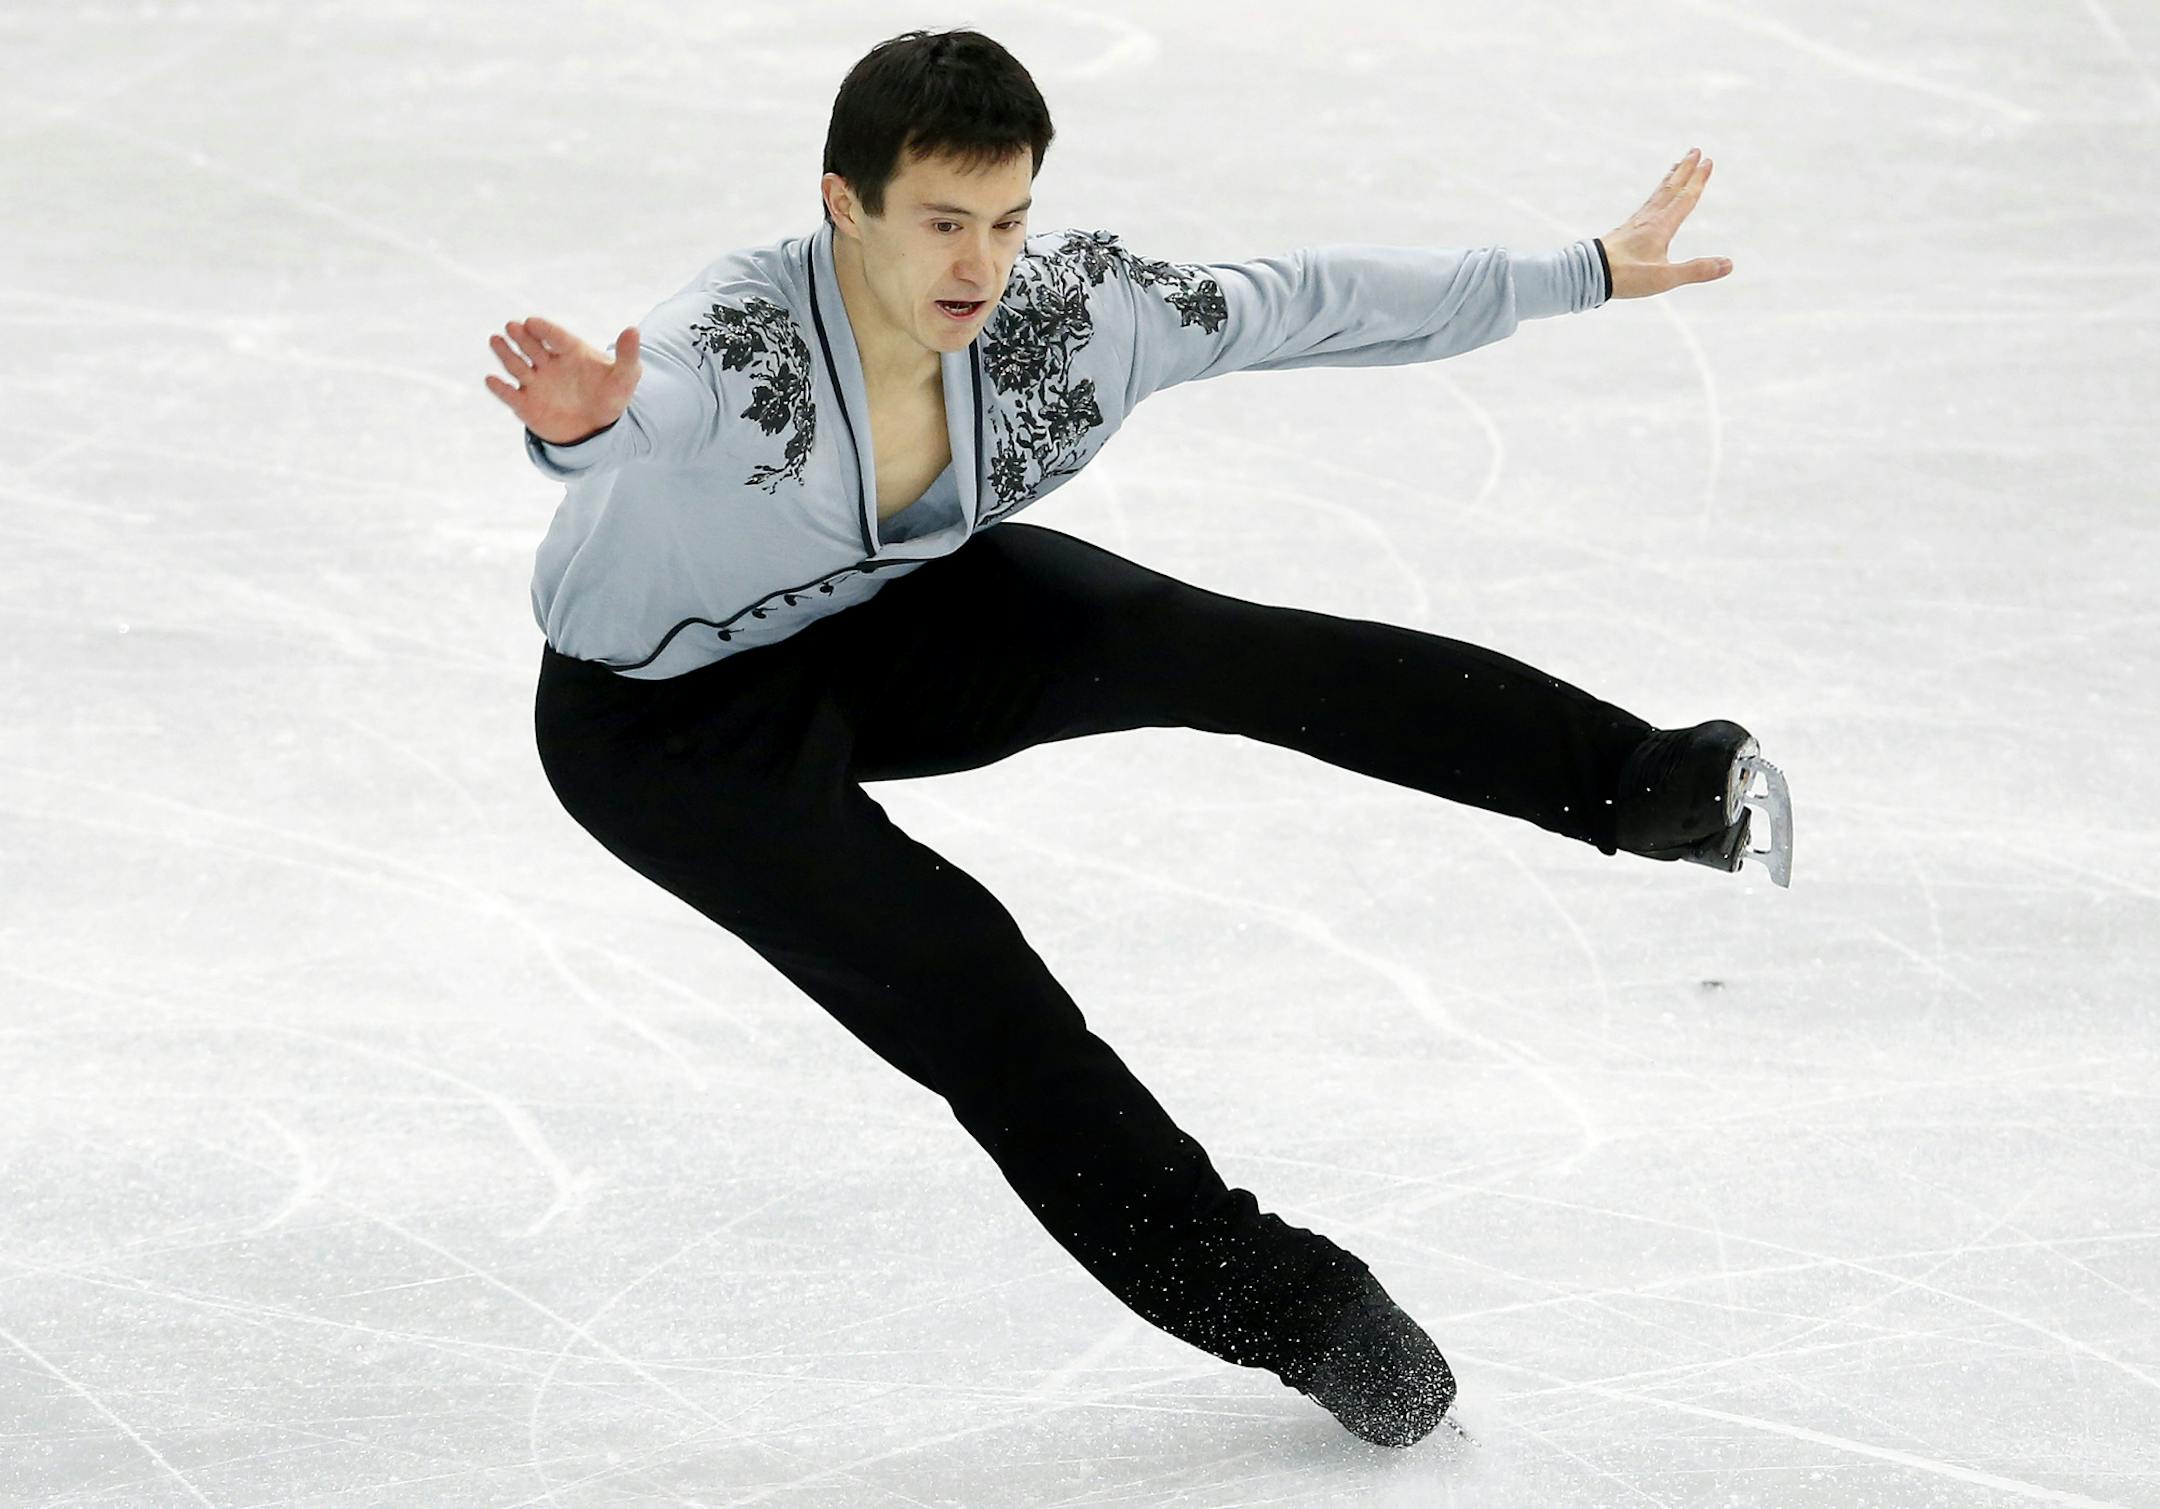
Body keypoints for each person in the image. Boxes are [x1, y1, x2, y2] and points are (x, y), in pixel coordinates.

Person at [487, 27, 1793, 1451]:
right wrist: (587, 430)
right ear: (844, 203)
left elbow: (1300, 301)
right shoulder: (742, 344)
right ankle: (1295, 1307)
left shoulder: (1067, 317)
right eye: (939, 222)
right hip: (660, 727)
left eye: (1004, 220)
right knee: (965, 978)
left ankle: (1646, 783)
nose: (977, 266)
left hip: (881, 622)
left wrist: (1582, 269)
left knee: (1203, 640)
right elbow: (656, 402)